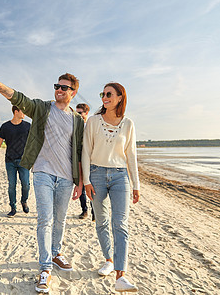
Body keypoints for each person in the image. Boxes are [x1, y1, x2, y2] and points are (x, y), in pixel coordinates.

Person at [0, 70, 84, 294]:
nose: (59, 90)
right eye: (57, 86)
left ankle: (56, 253)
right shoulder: (43, 108)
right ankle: (45, 268)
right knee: (45, 219)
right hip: (42, 172)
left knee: (60, 220)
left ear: (73, 92)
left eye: (64, 87)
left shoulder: (77, 120)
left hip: (66, 178)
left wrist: (80, 182)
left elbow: (80, 151)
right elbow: (18, 97)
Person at [81, 82, 140, 293]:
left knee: (120, 224)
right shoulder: (94, 122)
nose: (104, 97)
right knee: (102, 221)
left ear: (120, 98)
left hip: (120, 176)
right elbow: (86, 151)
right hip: (96, 175)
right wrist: (86, 180)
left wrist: (136, 184)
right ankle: (108, 259)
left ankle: (120, 276)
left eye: (109, 94)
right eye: (103, 94)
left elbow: (131, 155)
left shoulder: (128, 124)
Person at [0, 105, 31, 218]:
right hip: (10, 161)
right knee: (11, 185)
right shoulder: (5, 126)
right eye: (23, 111)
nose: (24, 114)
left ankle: (24, 201)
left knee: (26, 184)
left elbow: (33, 142)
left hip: (24, 161)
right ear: (16, 112)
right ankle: (13, 207)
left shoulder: (27, 126)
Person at [75, 103, 94, 221]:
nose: (78, 115)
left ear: (86, 113)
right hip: (78, 161)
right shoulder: (75, 127)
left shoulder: (91, 127)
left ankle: (94, 211)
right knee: (80, 187)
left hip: (91, 162)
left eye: (80, 113)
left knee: (92, 186)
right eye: (76, 113)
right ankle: (84, 210)